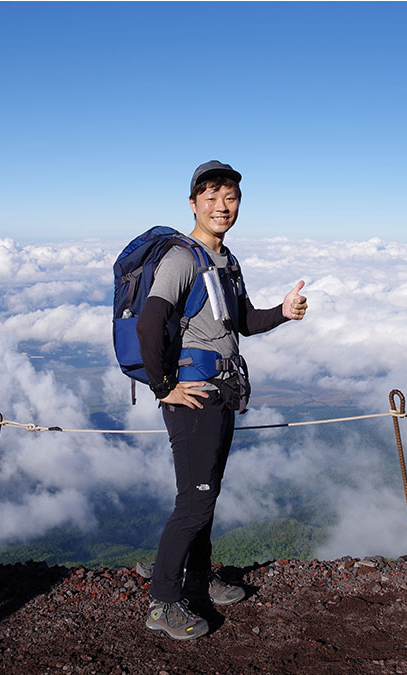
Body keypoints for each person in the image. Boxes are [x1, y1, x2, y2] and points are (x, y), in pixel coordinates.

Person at [137, 160, 308, 640]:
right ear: (192, 203)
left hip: (222, 393)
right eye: (210, 197)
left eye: (229, 197)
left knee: (205, 496)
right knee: (193, 501)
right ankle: (163, 603)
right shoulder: (182, 259)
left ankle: (198, 581)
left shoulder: (226, 261)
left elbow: (243, 323)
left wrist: (283, 313)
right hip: (192, 398)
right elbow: (149, 324)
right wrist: (163, 386)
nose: (221, 206)